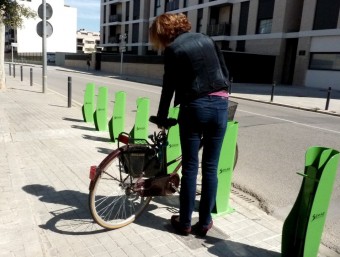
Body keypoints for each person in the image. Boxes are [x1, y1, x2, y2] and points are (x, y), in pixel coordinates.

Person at [149, 13, 230, 237]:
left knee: (191, 167)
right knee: (211, 168)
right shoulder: (207, 39)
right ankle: (204, 222)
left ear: (164, 32)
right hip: (220, 105)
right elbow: (225, 72)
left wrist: (162, 117)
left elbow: (169, 87)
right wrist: (223, 97)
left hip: (194, 108)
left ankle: (184, 223)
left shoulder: (174, 50)